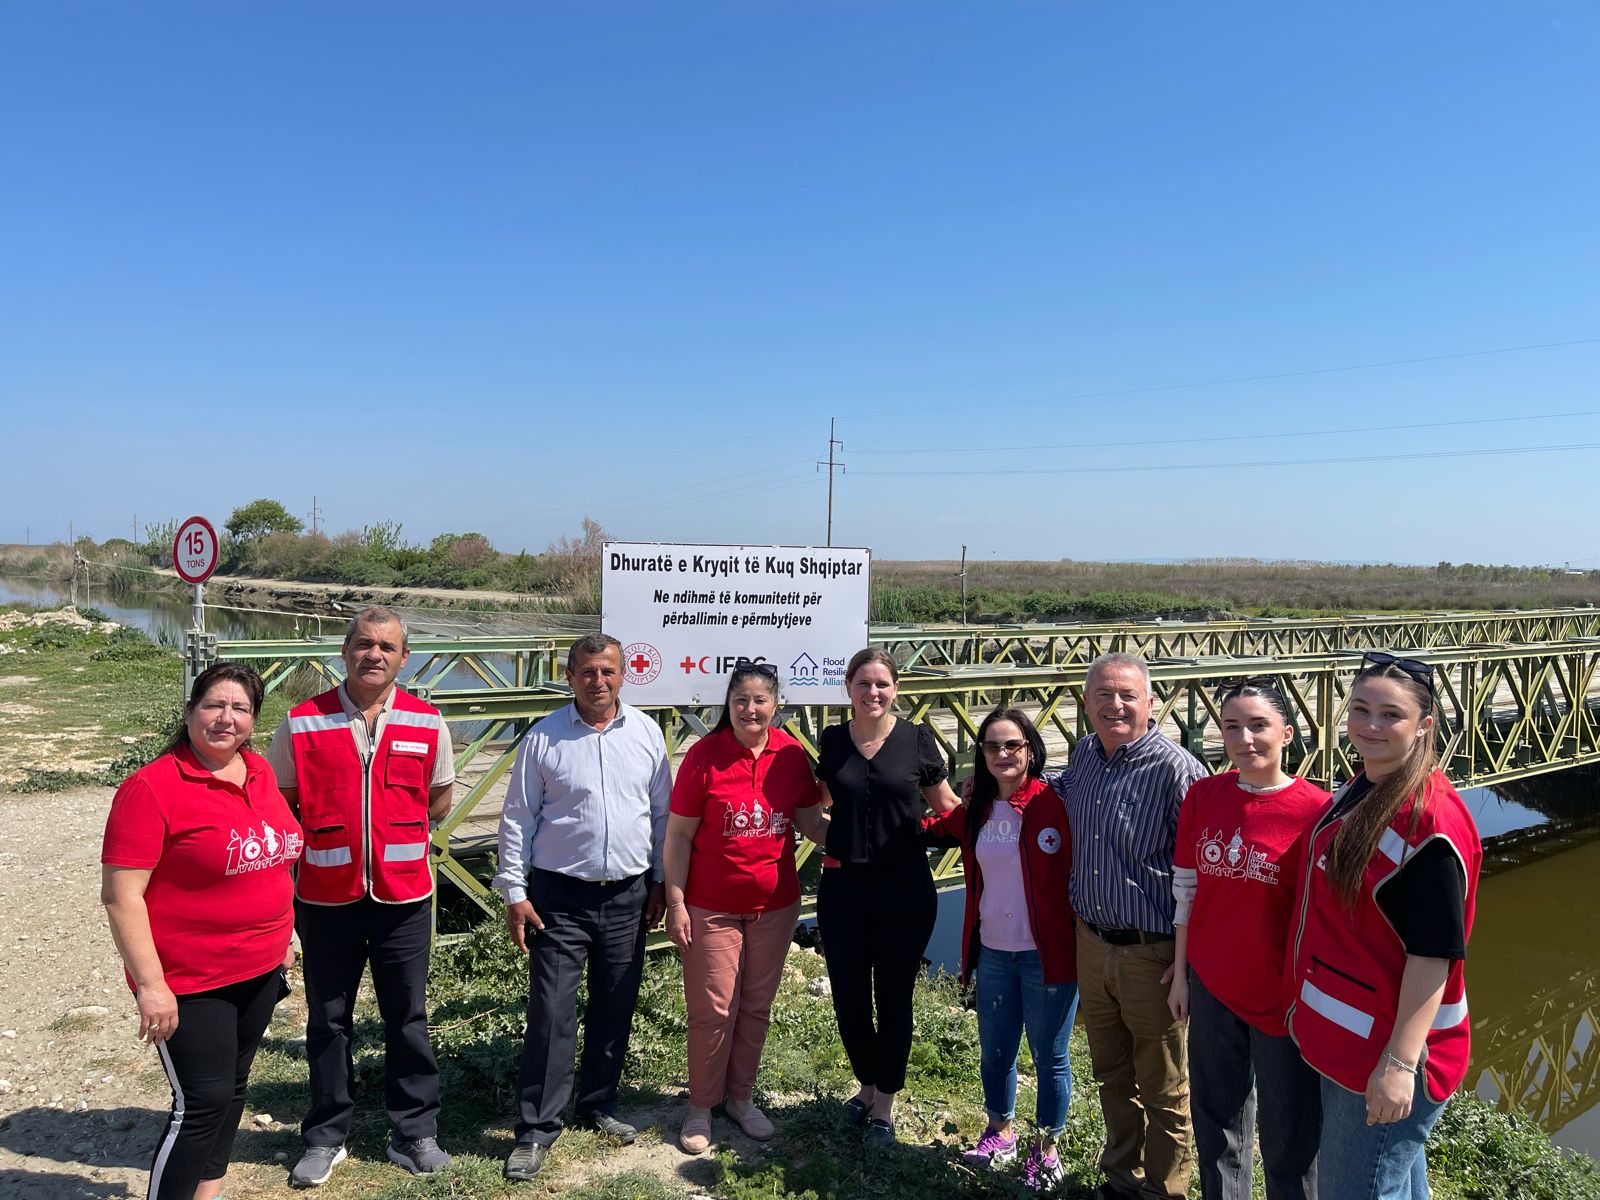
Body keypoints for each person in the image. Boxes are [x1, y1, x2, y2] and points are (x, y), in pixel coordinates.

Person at [266, 606, 455, 1186]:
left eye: (388, 647)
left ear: (404, 658)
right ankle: (326, 1136)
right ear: (345, 650)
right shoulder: (301, 722)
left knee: (407, 1018)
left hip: (404, 899)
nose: (375, 654)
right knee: (328, 1020)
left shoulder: (429, 722)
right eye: (364, 643)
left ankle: (415, 1132)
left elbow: (439, 800)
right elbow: (284, 803)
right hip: (326, 898)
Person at [102, 662, 302, 1200]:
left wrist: (284, 938)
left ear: (253, 722)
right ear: (191, 712)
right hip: (190, 979)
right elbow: (122, 897)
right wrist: (150, 984)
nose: (225, 718)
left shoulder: (258, 772)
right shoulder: (152, 788)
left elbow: (274, 858)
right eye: (215, 705)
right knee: (201, 1103)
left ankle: (206, 1194)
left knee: (233, 1091)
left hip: (260, 968)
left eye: (240, 709)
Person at [1286, 652, 1482, 1200]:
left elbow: (1433, 954)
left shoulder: (1427, 823)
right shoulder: (1366, 786)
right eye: (1361, 709)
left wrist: (1400, 1064)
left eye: (1390, 715)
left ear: (1424, 726)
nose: (1370, 725)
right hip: (1351, 1041)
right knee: (1393, 1184)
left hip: (1384, 1052)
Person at [494, 633, 671, 1182]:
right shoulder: (544, 738)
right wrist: (515, 892)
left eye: (608, 671)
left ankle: (598, 1103)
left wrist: (663, 881)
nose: (599, 681)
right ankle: (537, 1128)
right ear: (570, 677)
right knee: (551, 1012)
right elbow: (518, 818)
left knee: (615, 1004)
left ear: (624, 676)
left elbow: (662, 815)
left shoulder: (645, 734)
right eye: (587, 672)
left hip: (628, 893)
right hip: (559, 897)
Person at [1167, 678, 1328, 1200]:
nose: (1245, 739)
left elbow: (1328, 917)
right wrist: (1182, 974)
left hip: (1284, 1000)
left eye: (1258, 725)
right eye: (1232, 727)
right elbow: (1185, 893)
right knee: (1217, 1126)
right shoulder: (1204, 796)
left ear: (1286, 731)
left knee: (1290, 1138)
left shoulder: (1316, 811)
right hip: (1213, 988)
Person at [1061, 652, 1206, 1200]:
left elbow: (1201, 874)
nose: (1115, 706)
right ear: (1086, 703)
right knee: (1111, 1076)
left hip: (1154, 954)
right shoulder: (1082, 757)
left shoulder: (1177, 770)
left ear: (1150, 702)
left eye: (1127, 695)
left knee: (1165, 1087)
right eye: (1103, 695)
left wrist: (1187, 961)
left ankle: (1164, 1192)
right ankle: (1121, 1181)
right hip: (1092, 944)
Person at [663, 659, 821, 1153]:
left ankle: (741, 1097)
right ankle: (700, 1107)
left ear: (776, 706)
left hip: (775, 905)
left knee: (755, 1007)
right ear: (727, 704)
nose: (750, 709)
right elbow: (679, 836)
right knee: (713, 1010)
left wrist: (876, 832)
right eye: (740, 700)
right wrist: (676, 901)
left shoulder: (791, 754)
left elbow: (814, 824)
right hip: (711, 905)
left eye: (760, 701)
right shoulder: (704, 756)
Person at [923, 708, 1078, 1191]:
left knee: (1050, 1056)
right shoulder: (979, 809)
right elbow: (933, 829)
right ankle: (1000, 1132)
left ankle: (1047, 1151)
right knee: (995, 1052)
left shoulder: (1056, 801)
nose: (1003, 754)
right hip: (992, 951)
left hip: (1046, 955)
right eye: (993, 746)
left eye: (1013, 745)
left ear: (1031, 749)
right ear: (982, 755)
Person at [812, 646, 959, 1146]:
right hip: (843, 889)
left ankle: (885, 1104)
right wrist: (842, 840)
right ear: (848, 688)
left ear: (896, 690)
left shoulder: (917, 740)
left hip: (905, 889)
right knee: (849, 996)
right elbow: (814, 809)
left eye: (882, 684)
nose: (872, 693)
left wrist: (1002, 818)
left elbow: (948, 809)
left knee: (893, 997)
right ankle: (867, 1084)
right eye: (863, 684)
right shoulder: (833, 741)